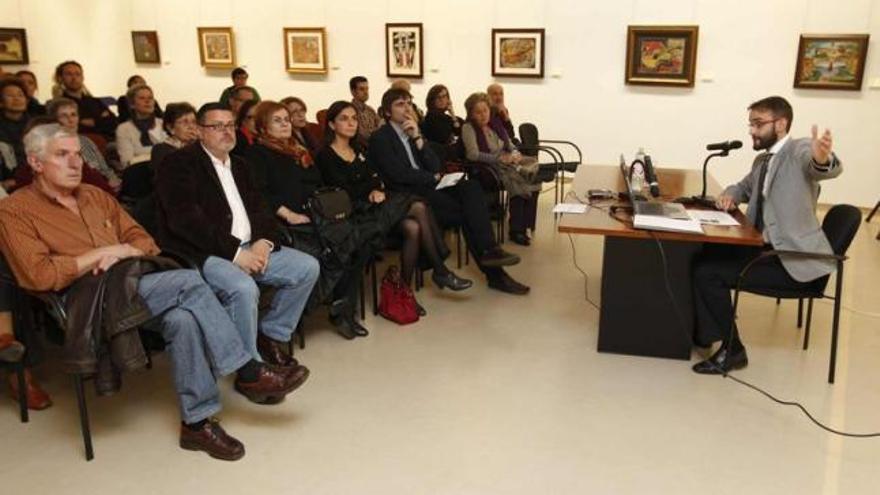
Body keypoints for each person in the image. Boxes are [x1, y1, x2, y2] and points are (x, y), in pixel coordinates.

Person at [0, 123, 309, 460]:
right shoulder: (14, 211)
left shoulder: (95, 196)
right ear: (35, 162)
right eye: (62, 155)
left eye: (77, 154)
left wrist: (124, 251)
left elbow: (144, 241)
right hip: (85, 302)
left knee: (182, 320)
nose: (76, 163)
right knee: (189, 282)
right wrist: (101, 255)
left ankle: (196, 423)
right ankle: (248, 371)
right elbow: (40, 276)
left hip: (134, 282)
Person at [154, 102, 320, 369]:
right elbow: (185, 221)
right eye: (217, 126)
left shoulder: (241, 165)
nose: (226, 132)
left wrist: (264, 243)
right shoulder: (178, 164)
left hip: (250, 247)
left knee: (307, 267)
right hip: (207, 252)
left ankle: (271, 336)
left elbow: (261, 209)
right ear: (199, 131)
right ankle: (250, 369)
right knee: (243, 288)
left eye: (230, 125)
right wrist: (236, 254)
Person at [691, 96, 843, 374]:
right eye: (750, 124)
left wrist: (822, 158)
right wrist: (730, 195)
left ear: (781, 124)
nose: (751, 130)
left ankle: (733, 350)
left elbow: (819, 164)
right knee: (702, 252)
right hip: (763, 248)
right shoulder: (764, 160)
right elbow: (742, 187)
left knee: (706, 273)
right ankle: (705, 331)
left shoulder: (798, 150)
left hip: (791, 260)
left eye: (758, 124)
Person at [369, 88, 529, 295]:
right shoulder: (381, 138)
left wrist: (418, 139)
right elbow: (397, 175)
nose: (407, 108)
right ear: (387, 112)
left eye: (409, 103)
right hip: (406, 195)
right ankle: (495, 274)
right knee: (468, 213)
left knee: (471, 187)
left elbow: (435, 165)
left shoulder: (412, 132)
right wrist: (432, 178)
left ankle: (491, 252)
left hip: (428, 186)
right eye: (400, 104)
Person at [319, 100, 472, 312]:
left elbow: (373, 178)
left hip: (376, 206)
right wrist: (371, 190)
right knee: (418, 205)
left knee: (413, 227)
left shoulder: (358, 149)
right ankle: (439, 270)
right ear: (332, 125)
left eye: (354, 118)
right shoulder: (325, 155)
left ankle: (405, 292)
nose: (351, 123)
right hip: (356, 216)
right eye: (344, 119)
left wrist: (376, 189)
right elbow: (341, 192)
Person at [461, 92, 540, 246]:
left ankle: (526, 225)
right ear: (471, 114)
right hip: (488, 167)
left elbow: (509, 144)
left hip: (507, 161)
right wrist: (499, 159)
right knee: (519, 181)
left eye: (485, 110)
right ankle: (517, 230)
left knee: (532, 169)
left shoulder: (495, 124)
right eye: (478, 112)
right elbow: (472, 154)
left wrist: (515, 153)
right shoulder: (468, 128)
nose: (483, 115)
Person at [46, 98, 121, 190]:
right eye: (64, 116)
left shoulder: (86, 141)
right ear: (54, 120)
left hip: (105, 188)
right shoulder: (52, 146)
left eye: (73, 115)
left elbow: (105, 169)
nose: (71, 120)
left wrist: (113, 181)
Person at [54, 61, 117, 140]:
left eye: (77, 74)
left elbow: (113, 122)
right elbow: (77, 128)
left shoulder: (95, 101)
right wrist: (101, 120)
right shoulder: (59, 104)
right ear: (60, 78)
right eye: (69, 74)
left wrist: (93, 122)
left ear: (82, 77)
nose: (74, 78)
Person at [115, 84, 168, 168]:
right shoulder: (124, 129)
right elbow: (127, 162)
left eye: (150, 98)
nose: (147, 101)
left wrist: (141, 156)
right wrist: (157, 156)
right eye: (142, 98)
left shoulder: (164, 124)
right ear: (132, 104)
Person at [422, 84, 464, 161]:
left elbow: (459, 131)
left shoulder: (446, 117)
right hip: (440, 156)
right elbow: (444, 137)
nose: (442, 100)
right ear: (432, 100)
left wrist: (452, 113)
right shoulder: (431, 117)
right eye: (438, 97)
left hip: (449, 154)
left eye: (444, 96)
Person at [0, 78, 31, 180]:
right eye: (10, 96)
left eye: (20, 95)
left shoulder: (36, 124)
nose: (17, 99)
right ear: (1, 102)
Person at [150, 102, 198, 168]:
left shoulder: (198, 146)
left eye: (194, 122)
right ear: (170, 128)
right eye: (185, 122)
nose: (191, 126)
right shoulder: (161, 150)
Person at [349, 76, 381, 147]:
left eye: (367, 89)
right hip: (360, 148)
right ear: (353, 92)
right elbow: (361, 135)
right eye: (362, 89)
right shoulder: (350, 110)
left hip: (375, 144)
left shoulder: (370, 110)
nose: (366, 92)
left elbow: (381, 127)